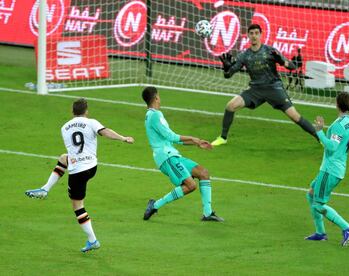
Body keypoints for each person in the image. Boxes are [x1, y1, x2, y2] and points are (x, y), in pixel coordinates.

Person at [25, 98, 134, 252]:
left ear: (72, 112)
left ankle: (93, 240)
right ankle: (45, 189)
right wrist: (123, 138)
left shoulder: (64, 128)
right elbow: (105, 132)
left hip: (78, 171)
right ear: (86, 111)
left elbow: (74, 150)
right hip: (92, 166)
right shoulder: (91, 122)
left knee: (78, 206)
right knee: (63, 158)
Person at [211, 24, 317, 146]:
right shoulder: (244, 56)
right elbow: (228, 75)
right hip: (255, 90)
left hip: (274, 88)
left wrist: (282, 61)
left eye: (256, 33)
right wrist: (226, 68)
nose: (254, 36)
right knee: (230, 106)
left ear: (261, 35)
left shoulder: (270, 51)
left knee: (295, 117)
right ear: (248, 36)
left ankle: (320, 139)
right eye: (251, 33)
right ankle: (223, 138)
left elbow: (292, 67)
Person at [141, 86, 223, 222]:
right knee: (191, 186)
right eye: (159, 96)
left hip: (172, 154)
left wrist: (196, 142)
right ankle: (155, 205)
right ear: (156, 98)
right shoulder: (155, 115)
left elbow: (170, 138)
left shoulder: (152, 114)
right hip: (166, 157)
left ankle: (208, 213)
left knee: (203, 173)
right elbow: (171, 136)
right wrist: (193, 139)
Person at [305, 92, 349, 246]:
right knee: (310, 194)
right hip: (338, 167)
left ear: (337, 104)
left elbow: (332, 146)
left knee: (317, 204)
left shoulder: (337, 126)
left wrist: (319, 131)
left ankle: (347, 227)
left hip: (330, 170)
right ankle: (320, 232)